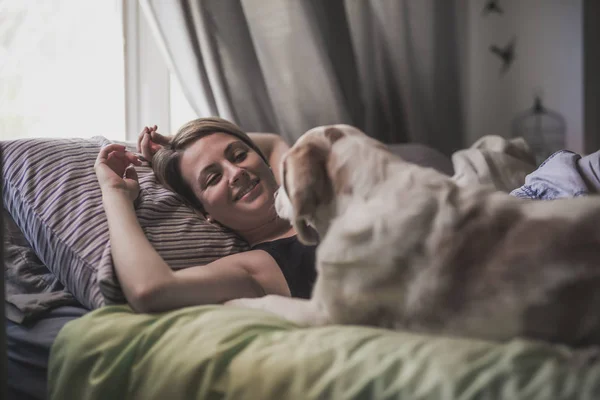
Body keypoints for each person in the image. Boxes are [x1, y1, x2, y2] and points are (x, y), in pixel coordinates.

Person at [94, 117, 316, 313]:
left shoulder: (308, 192)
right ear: (205, 212)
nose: (236, 172)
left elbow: (272, 143)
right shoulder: (257, 267)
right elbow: (149, 289)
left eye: (238, 155)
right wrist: (115, 193)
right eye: (213, 178)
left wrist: (182, 143)